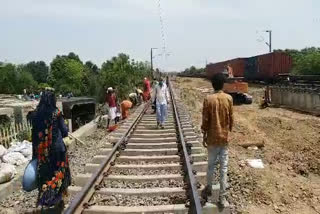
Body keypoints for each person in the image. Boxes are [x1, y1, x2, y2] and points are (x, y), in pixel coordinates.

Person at [31, 88, 71, 213]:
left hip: (42, 152)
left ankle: (45, 200)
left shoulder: (35, 115)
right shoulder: (57, 113)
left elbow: (34, 136)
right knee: (59, 173)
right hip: (58, 150)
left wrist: (34, 155)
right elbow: (64, 132)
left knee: (46, 175)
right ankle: (57, 200)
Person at [201, 73, 233, 208]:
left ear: (212, 84)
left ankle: (208, 190)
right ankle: (222, 197)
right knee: (223, 168)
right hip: (224, 138)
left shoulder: (208, 99)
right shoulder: (229, 98)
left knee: (211, 166)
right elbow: (231, 119)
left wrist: (204, 134)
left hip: (212, 139)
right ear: (223, 84)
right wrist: (227, 129)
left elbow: (205, 120)